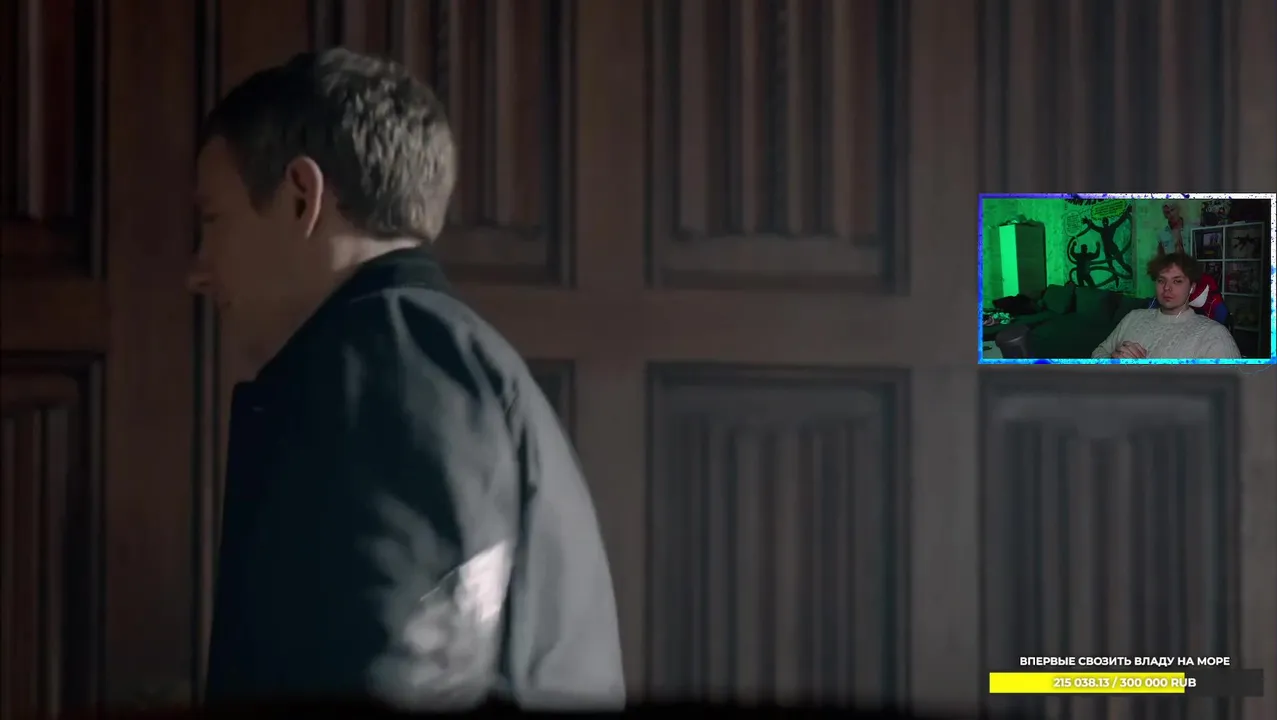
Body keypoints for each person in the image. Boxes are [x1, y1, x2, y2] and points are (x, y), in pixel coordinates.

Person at [189, 49, 624, 710]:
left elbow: (389, 677)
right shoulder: (439, 356)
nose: (197, 270)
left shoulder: (387, 361)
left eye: (211, 220)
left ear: (301, 196)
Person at [1091, 253, 1241, 359]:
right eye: (1161, 280)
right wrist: (1112, 360)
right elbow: (1098, 352)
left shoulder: (1214, 335)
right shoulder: (1133, 317)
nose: (1167, 288)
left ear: (1192, 287)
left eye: (1177, 281)